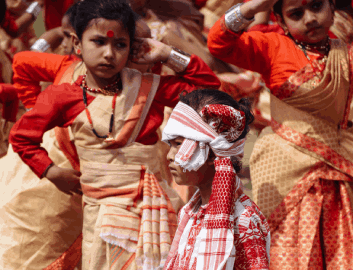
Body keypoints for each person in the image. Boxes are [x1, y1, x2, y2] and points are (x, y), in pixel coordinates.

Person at [9, 0, 221, 269]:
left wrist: (168, 53)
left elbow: (209, 92)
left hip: (154, 210)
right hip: (101, 218)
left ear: (133, 49)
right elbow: (22, 136)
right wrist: (50, 171)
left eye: (120, 45)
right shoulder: (63, 96)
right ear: (76, 43)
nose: (109, 54)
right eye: (98, 42)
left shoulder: (150, 90)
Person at [207, 0, 353, 269]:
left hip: (336, 167)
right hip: (285, 168)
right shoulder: (272, 46)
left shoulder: (345, 55)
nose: (309, 19)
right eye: (296, 14)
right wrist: (252, 7)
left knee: (339, 249)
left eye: (317, 7)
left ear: (333, 9)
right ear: (281, 22)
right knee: (289, 248)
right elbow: (219, 43)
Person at [161, 89, 270, 269]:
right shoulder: (190, 213)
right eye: (171, 145)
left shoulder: (244, 220)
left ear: (212, 155)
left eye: (179, 145)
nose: (170, 156)